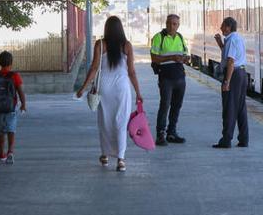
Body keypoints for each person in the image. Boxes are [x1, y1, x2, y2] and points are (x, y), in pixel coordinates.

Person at [77, 16, 143, 172]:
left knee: (105, 122)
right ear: (121, 29)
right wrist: (138, 93)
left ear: (106, 28)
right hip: (122, 87)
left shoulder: (100, 44)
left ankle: (105, 155)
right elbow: (132, 72)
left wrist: (83, 88)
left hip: (104, 88)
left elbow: (94, 68)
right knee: (121, 122)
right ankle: (121, 160)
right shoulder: (127, 45)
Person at [150, 14, 190, 146]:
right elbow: (154, 58)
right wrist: (172, 57)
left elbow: (185, 54)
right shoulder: (158, 38)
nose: (171, 26)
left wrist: (185, 58)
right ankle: (160, 134)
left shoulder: (180, 37)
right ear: (166, 23)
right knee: (165, 105)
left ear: (178, 25)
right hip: (166, 78)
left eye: (174, 24)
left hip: (180, 77)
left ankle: (172, 132)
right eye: (169, 23)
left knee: (176, 106)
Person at [212, 17, 249, 149]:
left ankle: (226, 140)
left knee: (229, 107)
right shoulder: (236, 38)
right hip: (242, 74)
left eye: (222, 26)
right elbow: (229, 55)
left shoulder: (232, 40)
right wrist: (220, 44)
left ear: (228, 27)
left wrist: (227, 81)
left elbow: (231, 61)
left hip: (234, 75)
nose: (221, 28)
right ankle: (244, 139)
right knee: (240, 108)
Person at [0, 51, 27, 164]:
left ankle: (1, 154)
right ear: (11, 62)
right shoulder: (15, 76)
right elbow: (20, 91)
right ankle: (10, 152)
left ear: (0, 62)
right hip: (11, 108)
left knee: (1, 131)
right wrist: (23, 105)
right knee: (11, 130)